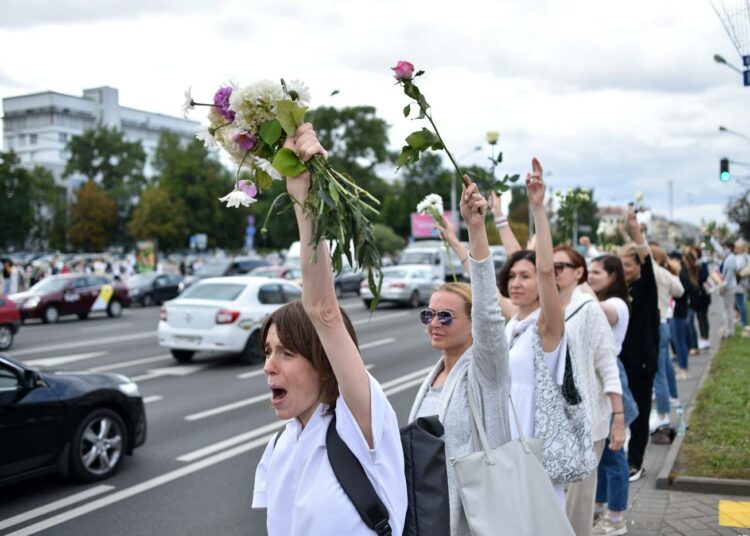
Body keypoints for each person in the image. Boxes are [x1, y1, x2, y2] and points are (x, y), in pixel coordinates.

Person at [252, 123, 407, 535]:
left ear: (323, 363)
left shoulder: (360, 423)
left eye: (286, 352)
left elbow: (322, 309)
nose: (269, 366)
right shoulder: (279, 447)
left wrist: (303, 196)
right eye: (268, 352)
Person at [409, 178, 511, 536]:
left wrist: (476, 230)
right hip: (431, 515)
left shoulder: (487, 371)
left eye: (445, 316)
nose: (434, 323)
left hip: (476, 520)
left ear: (472, 324)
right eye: (429, 315)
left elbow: (488, 310)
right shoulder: (434, 376)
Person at [495, 159, 568, 505]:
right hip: (504, 446)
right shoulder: (514, 322)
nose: (516, 283)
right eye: (511, 277)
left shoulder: (547, 325)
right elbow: (481, 276)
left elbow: (543, 271)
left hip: (537, 445)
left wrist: (538, 208)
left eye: (525, 278)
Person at [552, 245, 624, 536]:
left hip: (587, 418)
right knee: (551, 493)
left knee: (579, 498)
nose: (554, 270)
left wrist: (618, 418)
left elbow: (607, 365)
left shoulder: (588, 308)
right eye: (549, 265)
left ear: (578, 272)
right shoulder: (538, 307)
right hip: (548, 417)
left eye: (561, 266)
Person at [586, 254, 636, 536]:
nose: (590, 277)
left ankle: (616, 518)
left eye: (596, 273)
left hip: (610, 378)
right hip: (597, 380)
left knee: (614, 453)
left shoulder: (615, 304)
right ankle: (597, 508)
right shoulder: (593, 300)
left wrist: (580, 285)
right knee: (601, 452)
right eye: (588, 272)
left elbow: (601, 312)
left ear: (613, 277)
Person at [618, 211, 659, 482]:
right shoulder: (618, 291)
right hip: (620, 361)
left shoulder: (646, 287)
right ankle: (620, 455)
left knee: (640, 411)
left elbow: (647, 261)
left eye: (629, 265)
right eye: (620, 264)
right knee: (621, 409)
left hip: (642, 360)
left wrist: (635, 232)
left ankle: (636, 461)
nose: (624, 270)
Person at [647, 245, 683, 432]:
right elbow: (679, 291)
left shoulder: (653, 271)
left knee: (658, 374)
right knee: (666, 367)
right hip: (665, 323)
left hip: (655, 325)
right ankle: (672, 400)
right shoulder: (666, 274)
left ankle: (662, 415)